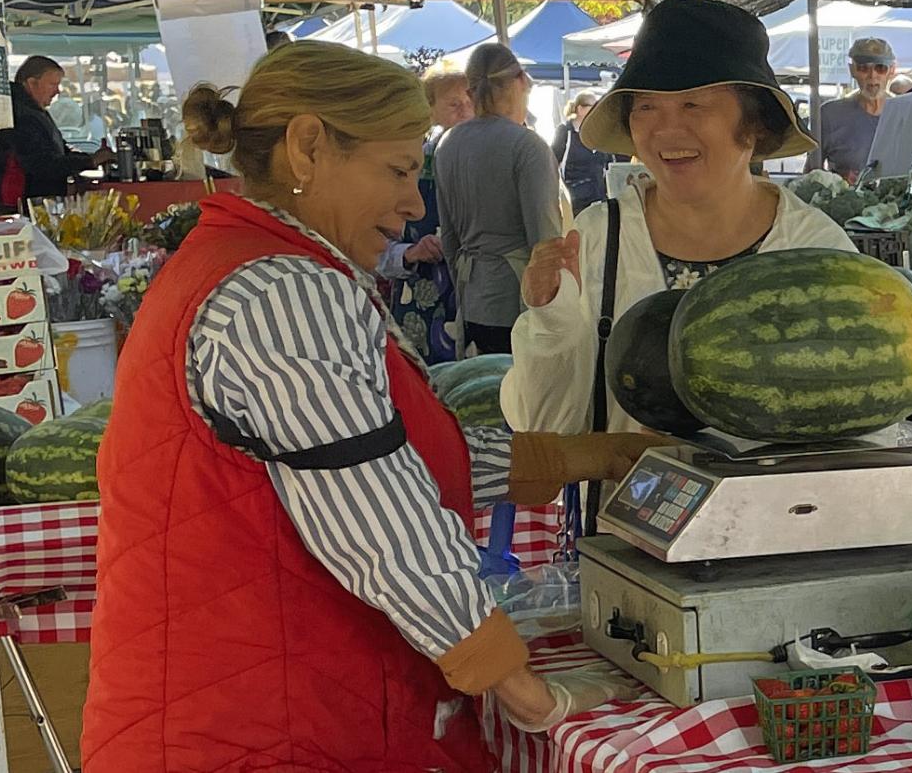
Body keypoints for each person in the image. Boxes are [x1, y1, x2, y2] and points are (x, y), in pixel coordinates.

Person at [84, 42, 646, 770]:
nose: (415, 204)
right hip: (260, 728)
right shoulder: (281, 291)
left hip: (258, 713)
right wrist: (523, 688)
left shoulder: (252, 264)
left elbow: (382, 457)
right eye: (399, 169)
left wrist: (585, 456)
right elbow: (380, 518)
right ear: (308, 146)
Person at [503, 0, 855, 435]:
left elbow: (857, 425)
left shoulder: (817, 250)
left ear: (754, 125)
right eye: (646, 107)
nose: (666, 131)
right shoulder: (597, 237)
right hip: (622, 501)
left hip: (780, 504)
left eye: (693, 105)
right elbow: (545, 429)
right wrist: (551, 318)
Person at [433, 43, 565, 355]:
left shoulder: (447, 144)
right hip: (520, 302)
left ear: (470, 90)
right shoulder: (527, 146)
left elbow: (450, 239)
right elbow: (546, 242)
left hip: (472, 298)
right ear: (521, 81)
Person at [378, 67, 474, 363]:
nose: (465, 110)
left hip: (475, 297)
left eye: (470, 101)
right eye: (453, 104)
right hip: (420, 303)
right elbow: (376, 249)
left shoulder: (487, 157)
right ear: (430, 110)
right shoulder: (409, 166)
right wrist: (410, 253)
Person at [0, 55, 114, 212]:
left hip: (21, 199)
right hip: (13, 203)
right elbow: (42, 164)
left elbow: (58, 152)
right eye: (52, 84)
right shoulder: (20, 115)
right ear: (31, 83)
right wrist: (89, 162)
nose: (57, 91)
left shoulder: (33, 111)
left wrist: (87, 160)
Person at [817, 37, 898, 180]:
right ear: (852, 70)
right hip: (845, 199)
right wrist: (838, 181)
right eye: (863, 68)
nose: (872, 76)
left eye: (880, 68)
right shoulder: (830, 115)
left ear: (892, 71)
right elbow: (812, 175)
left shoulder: (906, 111)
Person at [553, 91, 615, 212]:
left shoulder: (600, 134)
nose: (597, 110)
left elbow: (609, 164)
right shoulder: (565, 132)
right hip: (574, 200)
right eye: (593, 106)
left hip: (599, 198)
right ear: (580, 109)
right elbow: (553, 162)